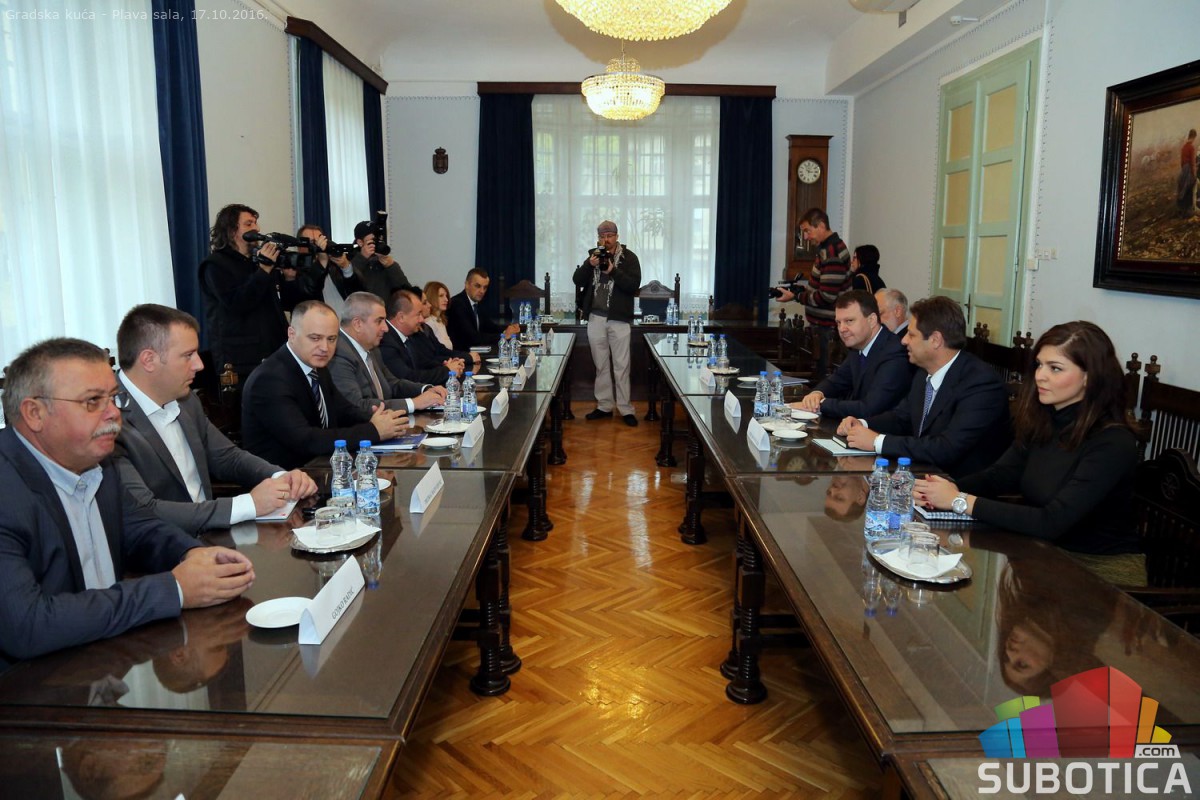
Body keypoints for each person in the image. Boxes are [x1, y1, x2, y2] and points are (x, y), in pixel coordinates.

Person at [0, 338, 255, 668]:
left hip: (108, 661)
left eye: (114, 397)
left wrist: (193, 554)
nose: (113, 414)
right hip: (35, 684)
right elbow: (27, 626)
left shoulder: (97, 463)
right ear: (34, 413)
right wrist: (174, 589)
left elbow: (140, 529)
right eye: (93, 401)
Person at [913, 321, 1144, 583]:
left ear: (1089, 378)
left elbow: (1052, 521)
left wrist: (960, 501)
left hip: (1100, 573)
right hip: (1042, 554)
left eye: (1055, 368)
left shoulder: (1113, 442)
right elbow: (999, 476)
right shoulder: (1045, 420)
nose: (1040, 376)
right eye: (1039, 365)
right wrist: (938, 490)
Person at [112, 304, 318, 535]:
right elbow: (146, 510)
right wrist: (248, 504)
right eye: (188, 355)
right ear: (149, 360)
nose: (199, 365)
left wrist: (281, 477)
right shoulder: (109, 422)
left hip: (212, 537)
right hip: (163, 548)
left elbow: (226, 457)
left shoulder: (186, 400)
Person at [837, 295, 1011, 478]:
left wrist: (877, 442)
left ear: (935, 340)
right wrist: (862, 424)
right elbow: (901, 418)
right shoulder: (923, 373)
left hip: (961, 484)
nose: (903, 340)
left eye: (911, 335)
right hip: (922, 473)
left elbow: (946, 448)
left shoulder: (981, 383)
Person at [240, 301, 410, 469]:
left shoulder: (316, 366)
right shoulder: (269, 379)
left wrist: (378, 419)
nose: (324, 347)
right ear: (291, 334)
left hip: (321, 466)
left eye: (331, 339)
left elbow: (344, 411)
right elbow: (306, 440)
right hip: (284, 476)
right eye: (315, 338)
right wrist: (373, 431)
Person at [198, 203, 302, 380]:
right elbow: (238, 303)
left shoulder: (258, 262)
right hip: (241, 360)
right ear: (232, 230)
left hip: (275, 350)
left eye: (256, 223)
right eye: (249, 224)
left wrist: (289, 279)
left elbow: (286, 304)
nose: (257, 228)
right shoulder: (215, 265)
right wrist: (264, 270)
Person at [793, 291, 911, 420]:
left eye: (849, 321)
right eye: (838, 322)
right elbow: (837, 380)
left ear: (872, 320)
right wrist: (816, 394)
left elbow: (869, 408)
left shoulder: (895, 353)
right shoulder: (859, 345)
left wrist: (821, 404)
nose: (842, 329)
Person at [329, 291, 447, 416]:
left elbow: (392, 384)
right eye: (379, 321)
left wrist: (426, 389)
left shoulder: (372, 348)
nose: (385, 328)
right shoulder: (339, 354)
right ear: (357, 324)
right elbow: (358, 405)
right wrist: (413, 403)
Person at [573, 220, 642, 427]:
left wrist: (613, 271)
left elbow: (632, 285)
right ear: (598, 238)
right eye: (603, 236)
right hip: (596, 318)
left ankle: (625, 408)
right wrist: (589, 265)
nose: (606, 240)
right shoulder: (593, 256)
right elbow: (577, 280)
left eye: (610, 236)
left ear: (617, 237)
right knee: (601, 365)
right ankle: (604, 406)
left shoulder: (629, 258)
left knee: (622, 366)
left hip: (619, 319)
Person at [774, 208, 851, 378]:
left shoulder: (831, 253)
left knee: (824, 379)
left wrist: (796, 296)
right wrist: (800, 291)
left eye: (808, 231)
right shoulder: (826, 249)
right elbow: (823, 288)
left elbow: (827, 296)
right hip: (823, 328)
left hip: (828, 329)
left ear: (821, 225)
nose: (806, 237)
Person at [379, 289, 464, 385]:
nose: (422, 320)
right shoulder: (386, 342)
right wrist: (447, 370)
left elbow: (424, 363)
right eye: (418, 314)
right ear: (401, 317)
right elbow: (408, 378)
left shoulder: (409, 336)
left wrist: (448, 365)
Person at [292, 223, 362, 318]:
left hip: (346, 321)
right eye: (311, 242)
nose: (317, 245)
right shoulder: (293, 270)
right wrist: (322, 262)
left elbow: (359, 293)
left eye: (319, 241)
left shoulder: (333, 265)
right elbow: (308, 293)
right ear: (300, 246)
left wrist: (346, 267)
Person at [445, 267, 520, 350]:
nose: (482, 291)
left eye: (485, 287)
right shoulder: (457, 304)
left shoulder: (478, 303)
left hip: (475, 350)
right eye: (477, 286)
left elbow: (489, 326)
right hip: (461, 354)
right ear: (467, 285)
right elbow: (473, 337)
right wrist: (503, 335)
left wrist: (509, 329)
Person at [351, 219, 410, 303]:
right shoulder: (350, 262)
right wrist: (363, 258)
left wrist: (391, 266)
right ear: (360, 242)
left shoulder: (384, 262)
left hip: (386, 309)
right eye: (373, 240)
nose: (377, 243)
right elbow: (350, 286)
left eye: (379, 239)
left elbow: (407, 292)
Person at [422, 280, 456, 350]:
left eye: (446, 296)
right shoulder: (428, 322)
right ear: (431, 297)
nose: (446, 299)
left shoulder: (441, 320)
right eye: (441, 296)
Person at [1178, 128, 1197, 218]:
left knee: (1183, 188)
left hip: (1184, 169)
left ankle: (1182, 210)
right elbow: (1192, 162)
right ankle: (1189, 209)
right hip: (1189, 169)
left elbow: (1182, 162)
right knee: (1190, 187)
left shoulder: (1184, 147)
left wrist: (1183, 170)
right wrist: (1193, 174)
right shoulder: (1191, 147)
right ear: (1193, 137)